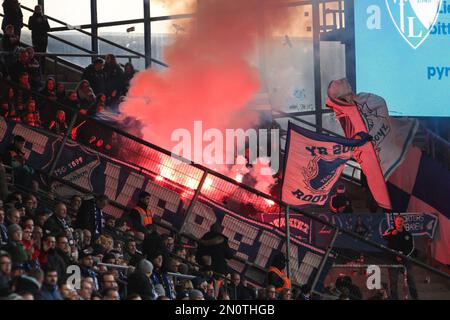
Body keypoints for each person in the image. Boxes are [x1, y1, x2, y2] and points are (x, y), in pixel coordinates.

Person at [382, 215, 418, 300]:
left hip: (405, 260)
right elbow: (383, 236)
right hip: (392, 260)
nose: (399, 223)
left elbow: (411, 247)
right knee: (393, 281)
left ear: (404, 222)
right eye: (398, 221)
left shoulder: (408, 234)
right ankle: (394, 298)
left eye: (401, 221)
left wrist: (402, 256)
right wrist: (391, 233)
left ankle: (415, 297)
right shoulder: (390, 231)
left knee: (411, 280)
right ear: (395, 222)